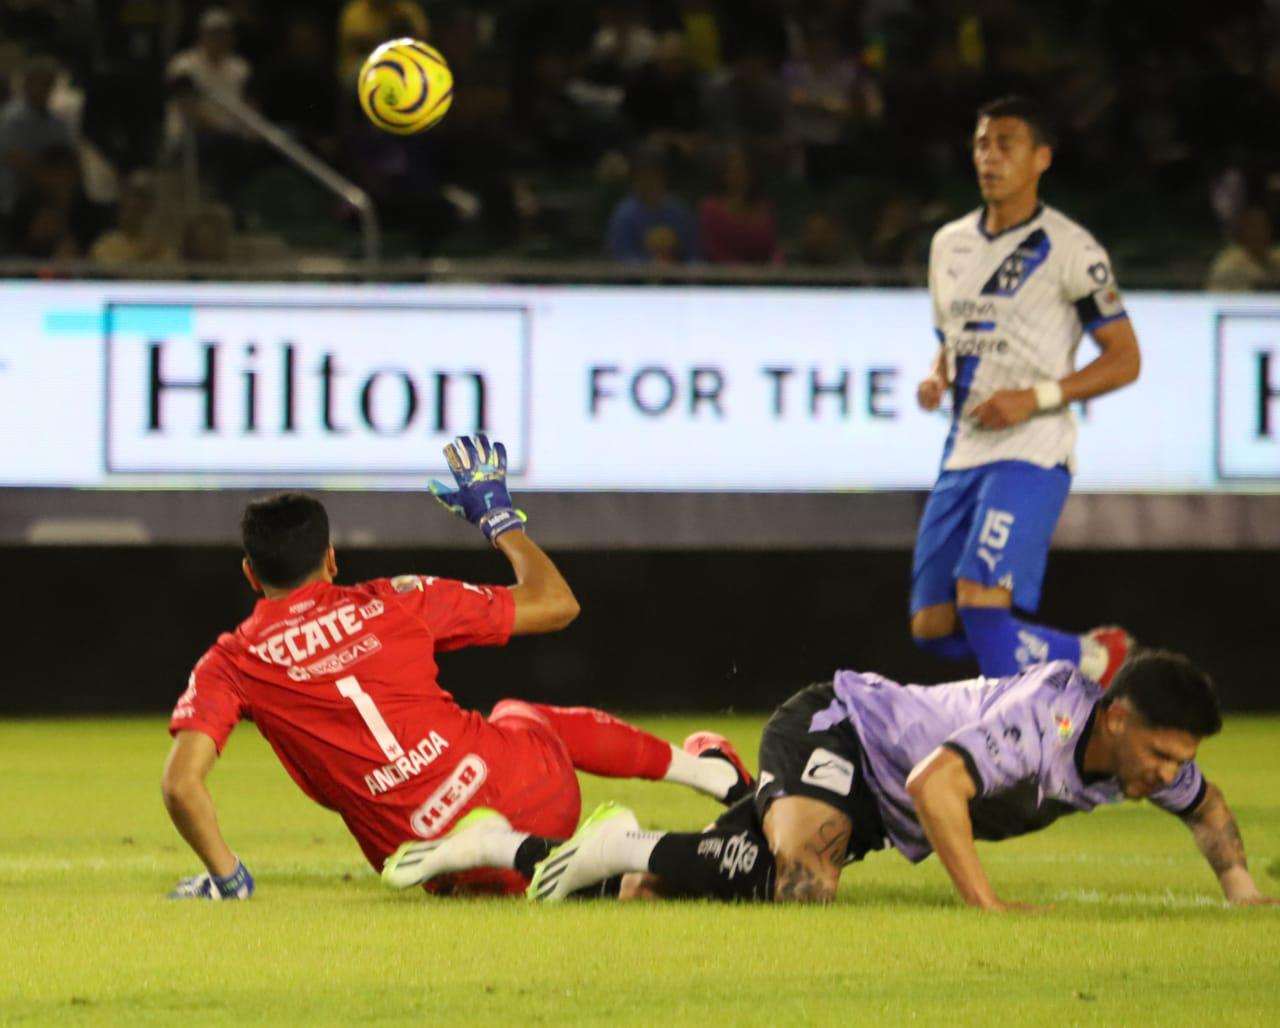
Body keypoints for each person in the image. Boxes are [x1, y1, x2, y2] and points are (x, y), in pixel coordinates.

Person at [163, 435, 751, 900]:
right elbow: (557, 605)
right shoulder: (396, 599)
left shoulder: (230, 662)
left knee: (577, 872)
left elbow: (181, 784)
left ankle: (511, 851)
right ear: (331, 559)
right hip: (527, 792)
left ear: (249, 573)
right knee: (519, 714)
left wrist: (228, 877)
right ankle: (703, 774)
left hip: (416, 851)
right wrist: (500, 519)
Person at [385, 652, 1278, 912]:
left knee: (648, 895)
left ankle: (511, 846)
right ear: (1117, 721)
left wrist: (1242, 891)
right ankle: (632, 834)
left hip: (870, 802)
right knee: (803, 888)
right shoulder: (1044, 720)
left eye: (1176, 759)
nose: (1168, 772)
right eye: (1162, 753)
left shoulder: (1138, 758)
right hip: (836, 729)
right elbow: (937, 789)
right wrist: (989, 910)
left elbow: (1209, 810)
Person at [909, 96, 1142, 684]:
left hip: (1031, 450)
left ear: (1041, 158)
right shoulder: (949, 244)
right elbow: (953, 338)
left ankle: (1022, 757)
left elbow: (1125, 359)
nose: (990, 157)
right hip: (963, 450)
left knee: (981, 601)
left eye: (1005, 144)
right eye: (982, 144)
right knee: (934, 629)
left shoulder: (1072, 250)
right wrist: (939, 375)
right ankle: (1088, 660)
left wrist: (1031, 398)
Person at [606, 146, 700, 263]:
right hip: (635, 279)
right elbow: (621, 256)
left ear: (663, 179)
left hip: (678, 277)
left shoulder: (680, 212)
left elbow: (694, 254)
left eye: (653, 176)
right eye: (642, 177)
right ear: (633, 182)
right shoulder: (623, 215)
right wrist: (652, 264)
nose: (648, 182)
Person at [698, 144, 779, 265]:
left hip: (762, 277)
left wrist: (776, 265)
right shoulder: (710, 208)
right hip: (721, 277)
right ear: (724, 174)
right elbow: (712, 250)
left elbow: (773, 247)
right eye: (733, 171)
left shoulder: (765, 207)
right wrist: (742, 273)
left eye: (742, 171)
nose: (738, 176)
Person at [1205, 204, 1280, 291]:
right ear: (1242, 231)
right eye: (1253, 227)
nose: (1258, 233)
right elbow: (1214, 298)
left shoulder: (1277, 258)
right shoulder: (1227, 263)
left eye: (1262, 226)